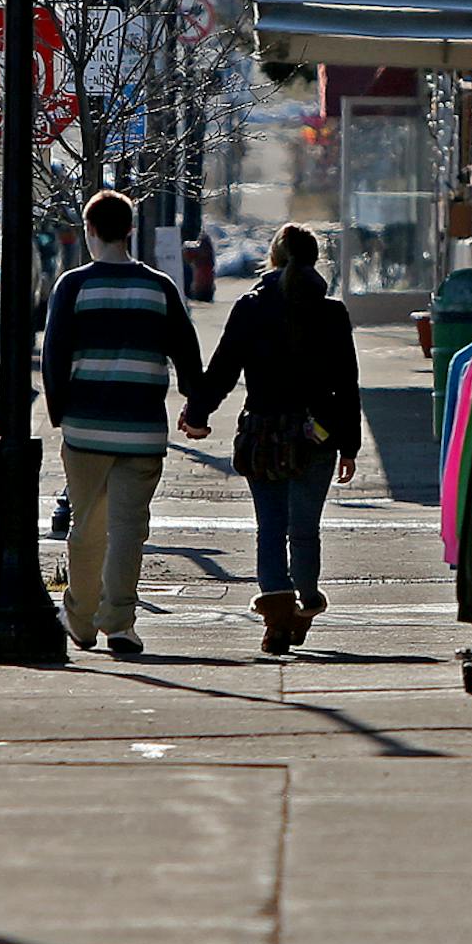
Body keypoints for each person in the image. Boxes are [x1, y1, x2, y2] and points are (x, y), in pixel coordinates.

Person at [180, 222, 360, 654]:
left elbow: (224, 368)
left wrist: (198, 412)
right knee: (304, 530)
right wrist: (348, 445)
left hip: (263, 435)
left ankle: (278, 614)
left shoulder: (251, 307)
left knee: (270, 528)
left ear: (273, 259)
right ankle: (306, 602)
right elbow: (346, 383)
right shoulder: (331, 312)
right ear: (316, 261)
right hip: (316, 436)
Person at [41, 188, 203, 660]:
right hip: (142, 431)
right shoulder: (159, 287)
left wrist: (60, 412)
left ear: (90, 232)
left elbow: (54, 357)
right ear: (130, 231)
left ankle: (80, 618)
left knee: (86, 528)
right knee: (129, 530)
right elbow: (187, 353)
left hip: (86, 428)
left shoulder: (72, 286)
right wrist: (196, 410)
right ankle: (120, 624)